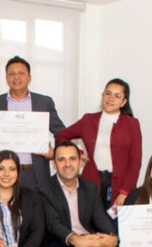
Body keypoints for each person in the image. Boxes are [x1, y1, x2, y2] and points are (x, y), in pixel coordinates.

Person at [0, 56, 65, 189]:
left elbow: (62, 133)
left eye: (21, 73)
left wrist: (55, 154)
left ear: (29, 77)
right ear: (6, 78)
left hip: (35, 174)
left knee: (36, 210)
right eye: (11, 74)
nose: (16, 77)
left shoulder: (44, 102)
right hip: (4, 174)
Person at [56, 78, 142, 208]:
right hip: (91, 182)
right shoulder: (88, 120)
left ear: (124, 102)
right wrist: (78, 154)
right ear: (102, 95)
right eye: (108, 93)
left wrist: (125, 192)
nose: (110, 98)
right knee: (91, 223)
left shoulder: (132, 124)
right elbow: (62, 136)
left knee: (113, 225)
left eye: (117, 96)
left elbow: (135, 162)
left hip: (119, 185)